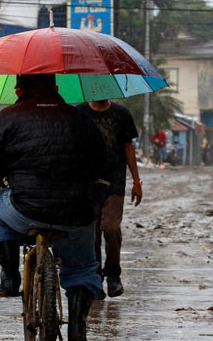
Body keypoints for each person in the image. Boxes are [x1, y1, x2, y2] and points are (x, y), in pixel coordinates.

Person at [0, 74, 107, 341]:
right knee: (82, 268)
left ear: (18, 89)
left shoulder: (8, 117)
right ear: (56, 88)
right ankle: (78, 327)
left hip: (25, 210)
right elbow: (102, 166)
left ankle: (10, 277)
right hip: (76, 213)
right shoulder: (81, 118)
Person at [77, 99, 142, 299]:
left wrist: (136, 181)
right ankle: (95, 277)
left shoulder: (121, 114)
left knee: (110, 228)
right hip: (87, 183)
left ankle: (113, 274)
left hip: (115, 182)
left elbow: (128, 148)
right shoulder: (79, 113)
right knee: (92, 232)